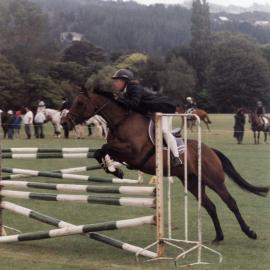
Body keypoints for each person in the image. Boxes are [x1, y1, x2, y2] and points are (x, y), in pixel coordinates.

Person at [112, 68, 182, 167]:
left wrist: (119, 99)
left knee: (164, 131)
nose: (115, 83)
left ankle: (176, 157)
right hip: (153, 111)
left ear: (124, 81)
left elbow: (134, 104)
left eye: (117, 81)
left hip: (164, 107)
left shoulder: (134, 88)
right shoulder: (127, 91)